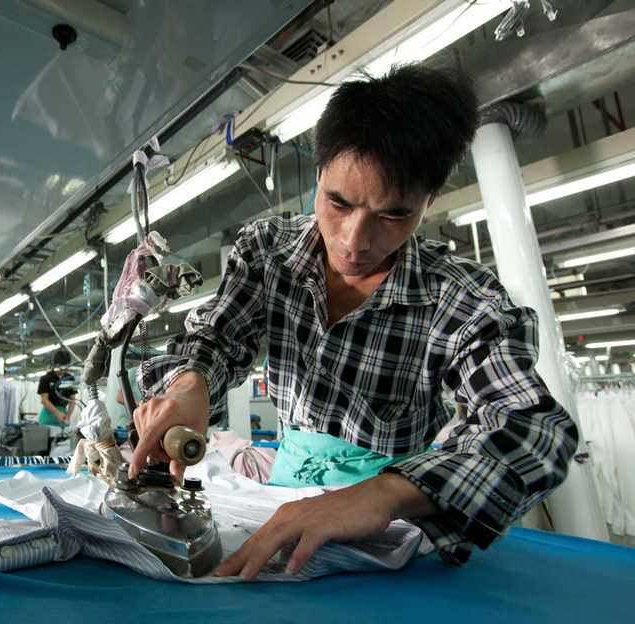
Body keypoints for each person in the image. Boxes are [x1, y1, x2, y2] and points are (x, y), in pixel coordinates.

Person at [132, 63, 577, 579]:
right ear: (317, 172)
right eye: (337, 203)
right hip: (281, 497)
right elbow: (215, 337)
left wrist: (386, 493)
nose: (353, 241)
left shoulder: (463, 301)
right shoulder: (267, 253)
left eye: (393, 216)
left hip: (391, 518)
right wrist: (192, 385)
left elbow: (533, 431)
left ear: (427, 203)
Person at [37, 350, 75, 425]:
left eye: (63, 366)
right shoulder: (46, 378)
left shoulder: (69, 378)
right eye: (59, 365)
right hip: (47, 416)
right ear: (54, 364)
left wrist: (68, 415)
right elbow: (44, 400)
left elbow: (72, 399)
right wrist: (58, 413)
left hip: (64, 416)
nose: (61, 368)